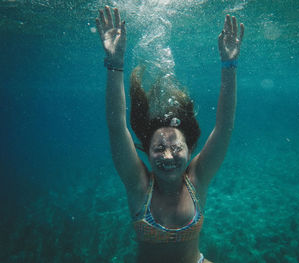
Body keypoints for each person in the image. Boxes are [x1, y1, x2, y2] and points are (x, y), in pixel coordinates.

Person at [96, 5, 244, 263]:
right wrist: (114, 64)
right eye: (159, 149)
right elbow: (116, 125)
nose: (168, 156)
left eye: (177, 149)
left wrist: (229, 65)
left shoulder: (197, 179)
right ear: (146, 151)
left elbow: (224, 126)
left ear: (190, 150)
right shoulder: (139, 185)